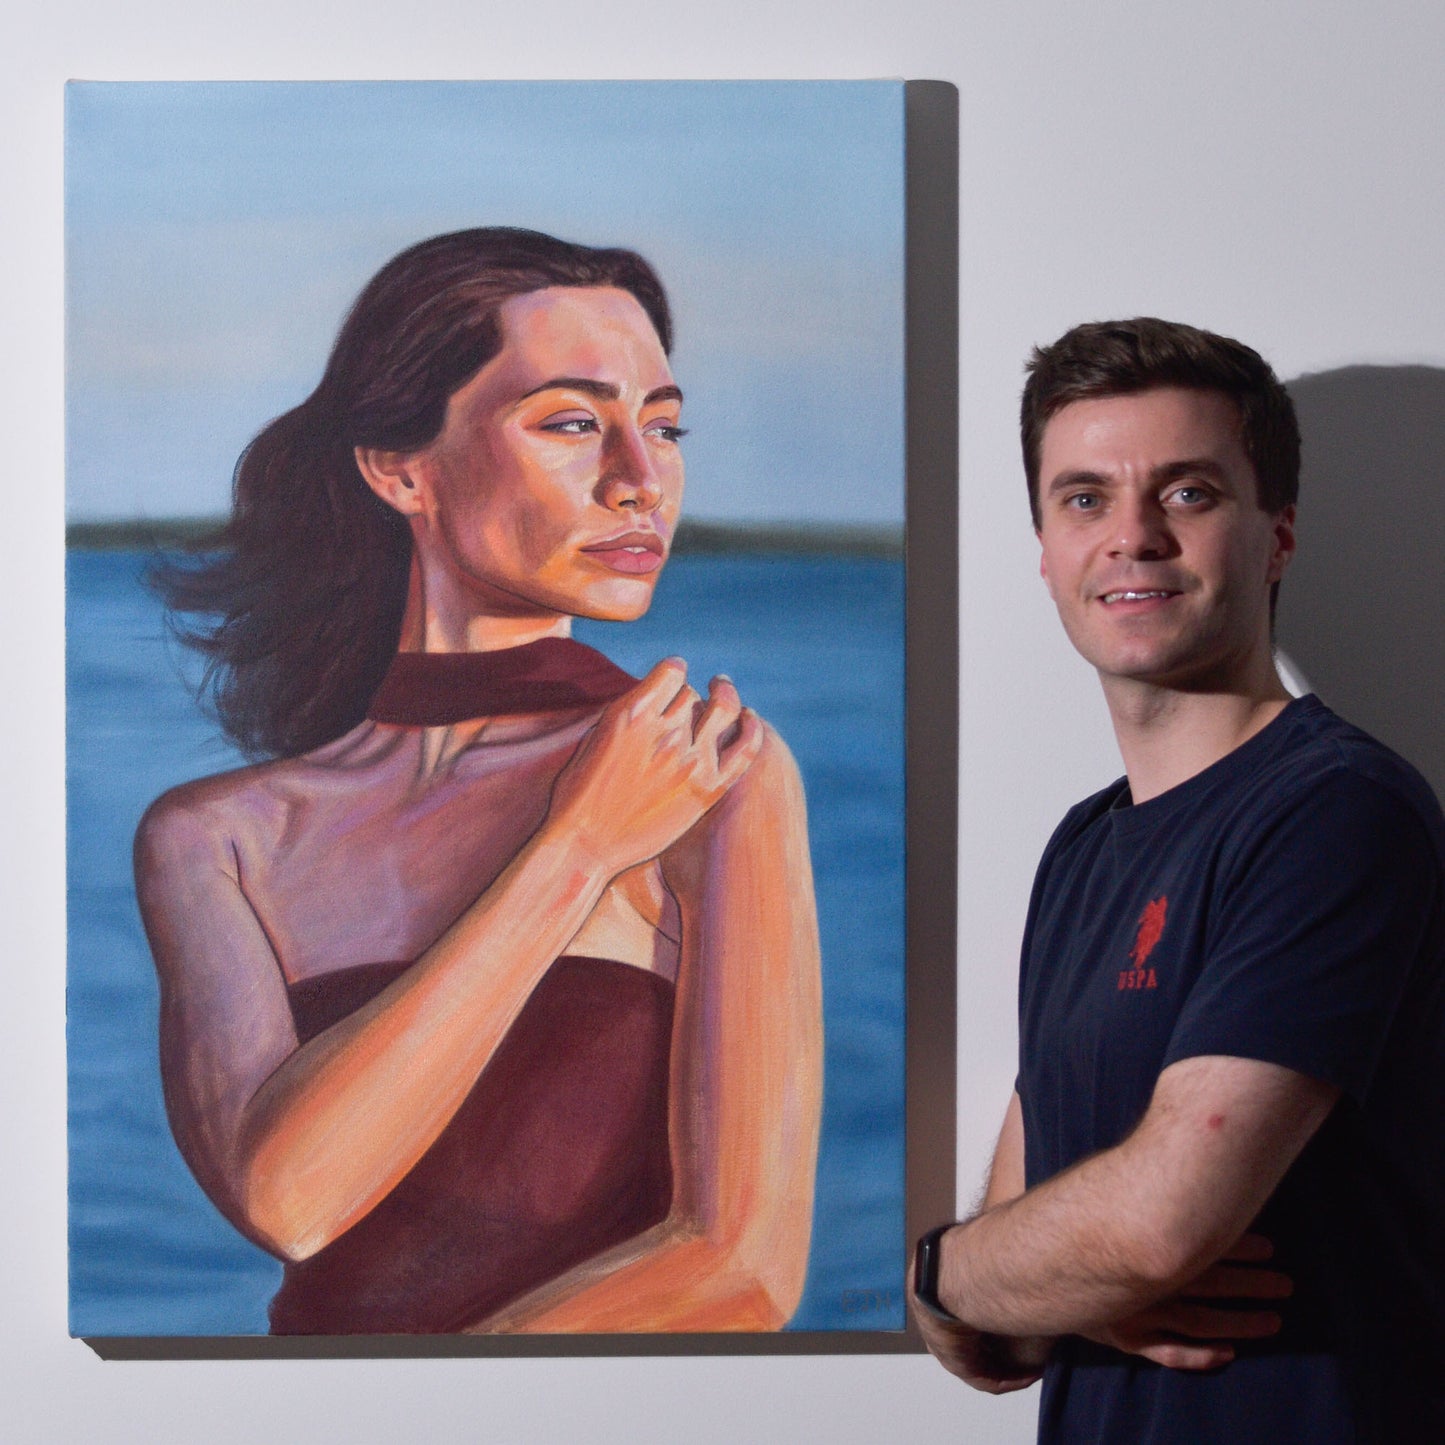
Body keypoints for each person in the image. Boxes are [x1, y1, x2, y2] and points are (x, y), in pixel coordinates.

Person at [134, 227, 823, 1335]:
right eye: (568, 423)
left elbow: (739, 1266)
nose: (640, 481)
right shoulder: (215, 837)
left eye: (662, 426)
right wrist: (574, 852)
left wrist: (443, 1398)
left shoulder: (713, 770)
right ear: (398, 468)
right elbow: (290, 1201)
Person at [912, 318, 1445, 1441]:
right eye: (1083, 498)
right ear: (1045, 550)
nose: (1132, 538)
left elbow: (1154, 1226)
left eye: (1187, 493)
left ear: (1276, 535)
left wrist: (940, 1273)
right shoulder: (1080, 848)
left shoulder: (1336, 809)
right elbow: (1009, 1301)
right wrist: (1013, 1283)